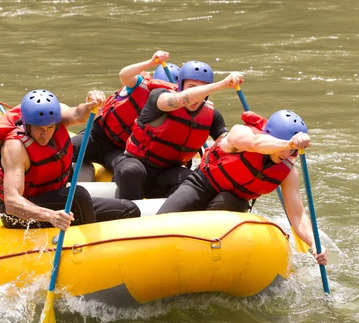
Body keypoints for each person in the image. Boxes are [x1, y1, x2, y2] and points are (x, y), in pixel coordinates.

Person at [157, 109, 328, 264]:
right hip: (202, 184)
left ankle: (201, 257)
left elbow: (297, 215)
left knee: (227, 201)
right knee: (161, 223)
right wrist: (289, 144)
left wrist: (314, 243)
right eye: (285, 147)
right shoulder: (241, 133)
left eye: (293, 151)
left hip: (235, 201)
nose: (288, 154)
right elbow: (255, 144)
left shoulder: (288, 174)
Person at [0, 89, 140, 230]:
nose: (45, 134)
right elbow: (12, 203)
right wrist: (51, 216)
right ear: (27, 125)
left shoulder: (56, 117)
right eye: (38, 129)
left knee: (129, 209)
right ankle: (88, 247)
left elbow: (80, 114)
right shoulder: (15, 147)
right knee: (77, 196)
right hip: (21, 214)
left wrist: (91, 104)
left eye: (50, 128)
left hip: (55, 199)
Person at [113, 61, 244, 200]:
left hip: (167, 173)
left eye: (203, 89)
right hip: (136, 163)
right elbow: (180, 100)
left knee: (190, 179)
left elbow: (227, 143)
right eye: (191, 87)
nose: (197, 94)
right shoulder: (160, 97)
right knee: (132, 171)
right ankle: (127, 211)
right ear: (180, 86)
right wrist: (222, 84)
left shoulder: (213, 116)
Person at [71, 51, 178, 175]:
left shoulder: (172, 108)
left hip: (121, 150)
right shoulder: (139, 84)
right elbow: (124, 75)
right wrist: (150, 62)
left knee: (127, 170)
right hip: (97, 136)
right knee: (64, 152)